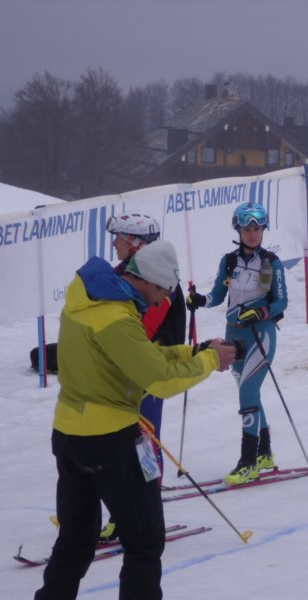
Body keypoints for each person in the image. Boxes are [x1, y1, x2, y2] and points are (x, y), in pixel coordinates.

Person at [34, 240, 237, 600]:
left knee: (75, 541)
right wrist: (209, 362)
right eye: (163, 292)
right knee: (144, 542)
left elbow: (136, 356)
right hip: (110, 438)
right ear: (148, 281)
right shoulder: (116, 316)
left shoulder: (93, 298)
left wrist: (195, 350)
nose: (162, 302)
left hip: (69, 432)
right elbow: (157, 378)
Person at [97, 212, 187, 544]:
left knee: (145, 440)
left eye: (118, 238)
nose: (114, 245)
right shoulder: (123, 275)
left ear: (134, 242)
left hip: (148, 372)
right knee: (120, 443)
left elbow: (143, 328)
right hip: (123, 371)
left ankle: (146, 511)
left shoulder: (158, 280)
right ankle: (124, 512)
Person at [187, 202, 288, 485]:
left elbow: (281, 301)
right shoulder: (229, 261)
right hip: (234, 334)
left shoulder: (269, 262)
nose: (253, 234)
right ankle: (265, 452)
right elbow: (219, 294)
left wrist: (261, 312)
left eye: (257, 229)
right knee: (249, 393)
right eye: (247, 229)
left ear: (264, 230)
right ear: (239, 230)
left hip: (261, 335)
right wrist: (201, 300)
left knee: (248, 392)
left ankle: (248, 462)